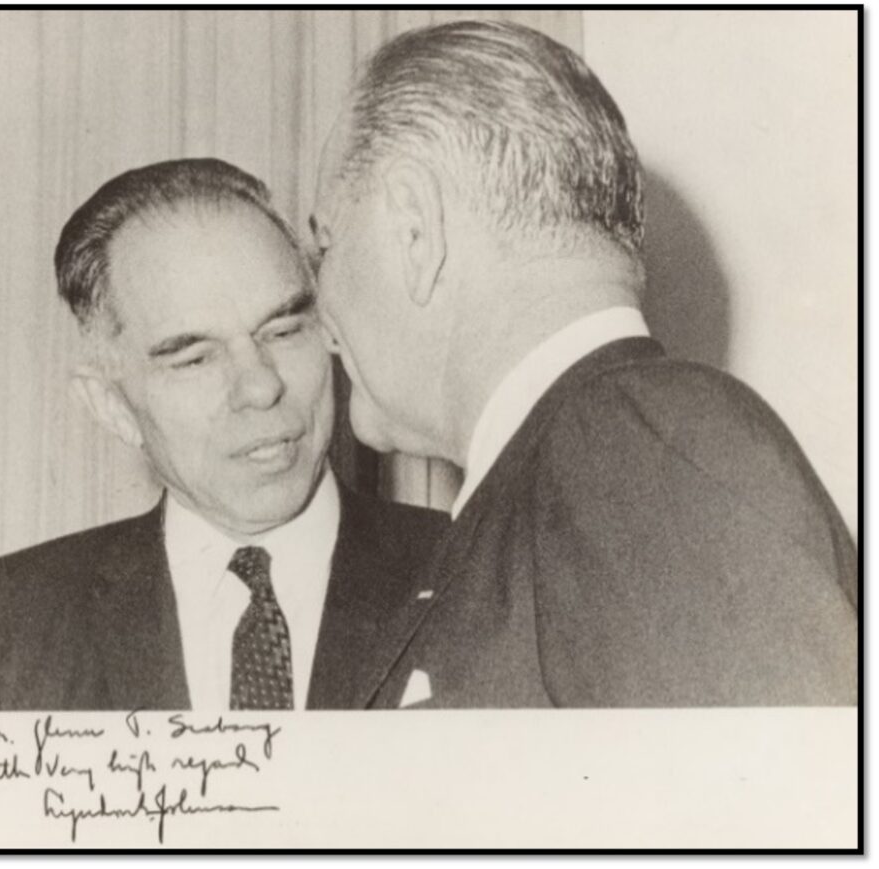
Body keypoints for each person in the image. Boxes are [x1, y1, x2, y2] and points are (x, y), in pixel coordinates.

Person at [310, 20, 857, 708]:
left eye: (326, 242)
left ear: (415, 228)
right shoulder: (564, 476)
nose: (320, 306)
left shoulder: (633, 450)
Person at [0, 158, 447, 711]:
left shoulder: (470, 569)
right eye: (194, 359)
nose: (260, 387)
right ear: (111, 405)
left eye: (282, 331)